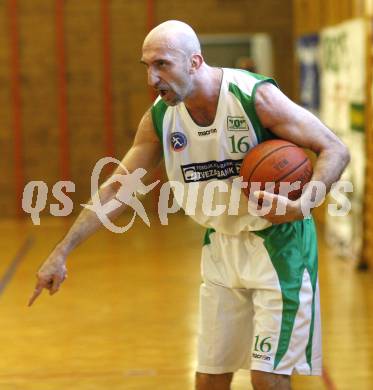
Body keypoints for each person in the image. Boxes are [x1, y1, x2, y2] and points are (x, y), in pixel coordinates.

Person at [29, 20, 350, 390]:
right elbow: (117, 187)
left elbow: (334, 148)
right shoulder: (161, 117)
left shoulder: (253, 97)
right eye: (146, 66)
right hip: (220, 249)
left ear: (195, 62)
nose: (152, 78)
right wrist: (62, 250)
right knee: (209, 378)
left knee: (266, 378)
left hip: (281, 245)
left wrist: (304, 203)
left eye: (162, 64)